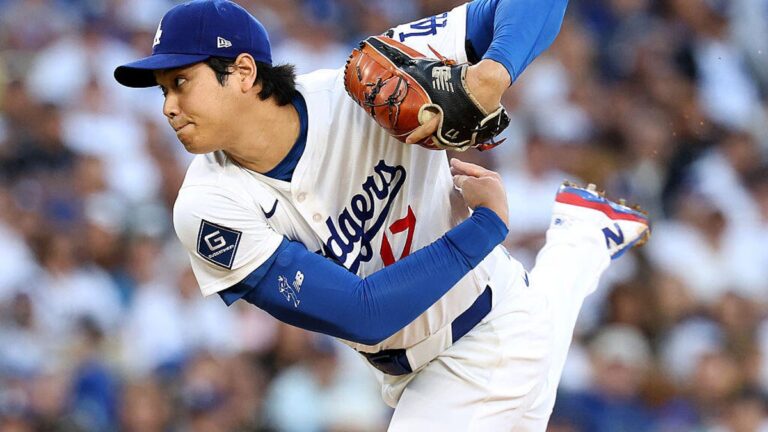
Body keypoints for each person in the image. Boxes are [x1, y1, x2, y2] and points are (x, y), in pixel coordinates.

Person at [113, 0, 650, 430]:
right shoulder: (207, 206)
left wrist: (492, 72)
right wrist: (485, 227)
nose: (168, 108)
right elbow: (363, 313)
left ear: (244, 72)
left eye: (181, 82)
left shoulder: (367, 82)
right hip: (435, 359)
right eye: (163, 91)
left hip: (483, 341)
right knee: (542, 320)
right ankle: (582, 235)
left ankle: (582, 237)